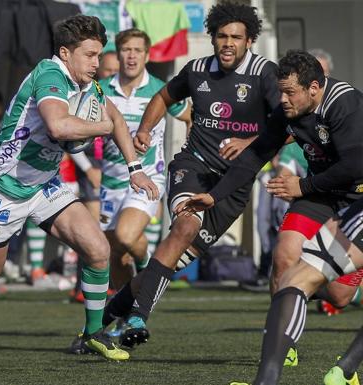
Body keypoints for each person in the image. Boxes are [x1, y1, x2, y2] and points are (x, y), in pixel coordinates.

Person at [0, 14, 158, 373]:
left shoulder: (87, 83)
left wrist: (134, 169)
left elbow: (117, 120)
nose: (97, 64)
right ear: (65, 53)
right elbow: (59, 124)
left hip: (44, 185)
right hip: (3, 188)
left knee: (97, 249)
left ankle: (93, 333)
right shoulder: (50, 75)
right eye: (90, 55)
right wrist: (104, 127)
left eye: (99, 55)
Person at [173, 50, 363, 385]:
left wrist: (302, 185)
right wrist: (215, 195)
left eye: (291, 92)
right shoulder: (288, 111)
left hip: (353, 196)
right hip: (320, 193)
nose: (283, 99)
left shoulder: (343, 103)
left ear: (315, 88)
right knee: (286, 261)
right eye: (282, 91)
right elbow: (256, 155)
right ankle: (279, 363)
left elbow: (354, 166)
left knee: (339, 297)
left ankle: (346, 368)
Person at [98, 0, 281, 349]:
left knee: (165, 267)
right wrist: (145, 130)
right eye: (222, 36)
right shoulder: (197, 69)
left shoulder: (264, 74)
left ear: (249, 40)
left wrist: (249, 140)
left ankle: (103, 321)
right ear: (212, 38)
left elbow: (284, 126)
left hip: (235, 187)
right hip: (192, 166)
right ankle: (138, 318)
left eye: (236, 37)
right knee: (185, 225)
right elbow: (163, 96)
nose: (228, 43)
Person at [97, 28, 191, 292]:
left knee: (125, 236)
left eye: (138, 50)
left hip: (148, 177)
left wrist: (189, 154)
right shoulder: (101, 90)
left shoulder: (159, 91)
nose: (131, 56)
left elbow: (190, 116)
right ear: (118, 54)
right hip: (110, 180)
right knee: (113, 253)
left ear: (147, 55)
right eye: (126, 50)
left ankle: (146, 264)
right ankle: (130, 308)